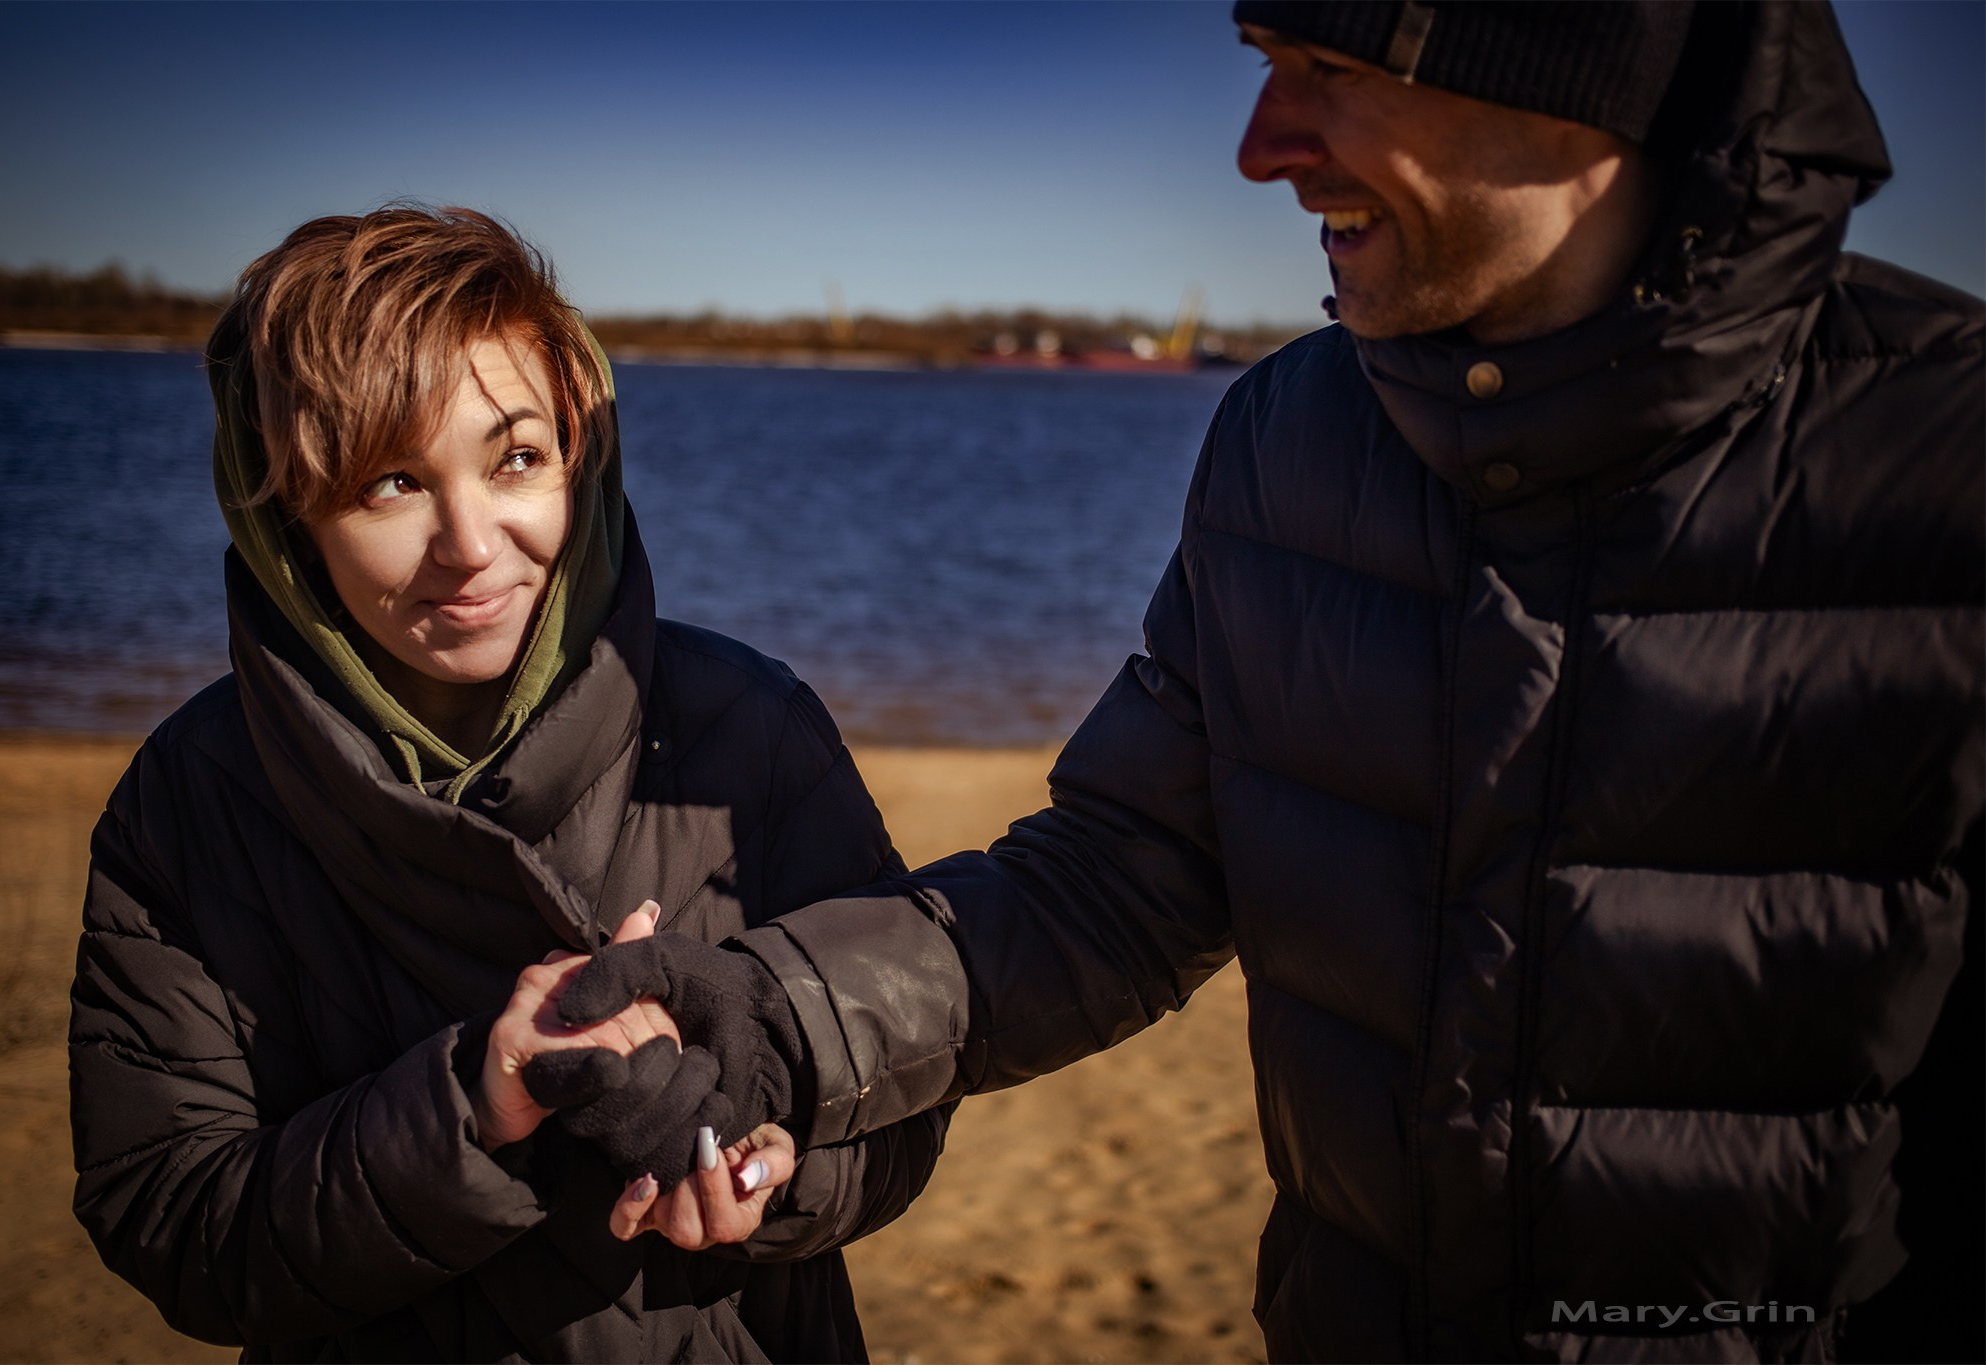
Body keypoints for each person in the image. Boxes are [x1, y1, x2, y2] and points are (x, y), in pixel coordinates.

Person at [555, 3, 1984, 1360]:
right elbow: (1121, 881)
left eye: (1333, 67)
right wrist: (771, 1024)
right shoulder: (1289, 438)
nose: (1260, 144)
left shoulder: (1943, 460)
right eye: (1262, 57)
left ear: (1577, 67)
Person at [68, 204, 949, 1362]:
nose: (471, 543)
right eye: (390, 482)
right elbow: (171, 1216)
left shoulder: (753, 729)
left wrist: (782, 1176)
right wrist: (474, 1109)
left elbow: (907, 1086)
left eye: (515, 458)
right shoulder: (190, 802)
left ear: (579, 453)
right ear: (285, 508)